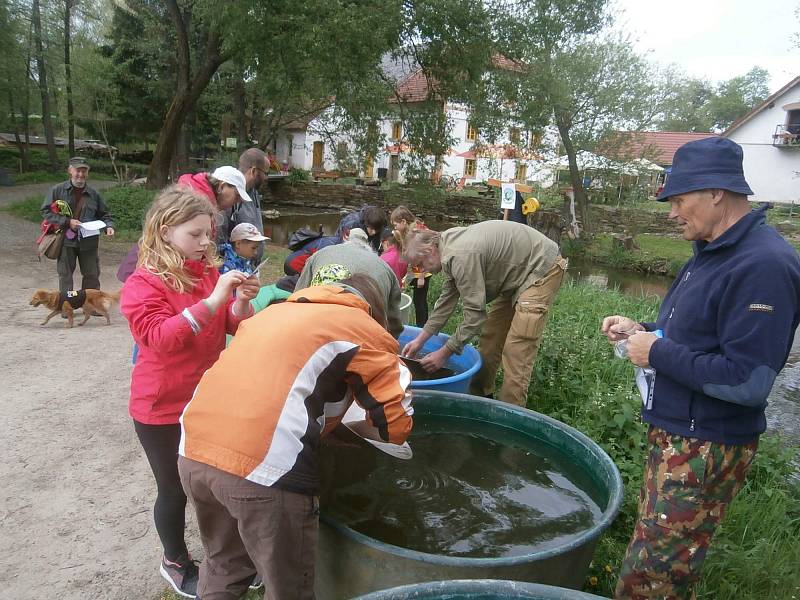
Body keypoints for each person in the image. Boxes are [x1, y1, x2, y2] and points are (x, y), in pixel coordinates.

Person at [601, 137, 800, 600]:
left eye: (679, 199)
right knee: (663, 563)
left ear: (716, 192)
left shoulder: (764, 265)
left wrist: (656, 353)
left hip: (706, 444)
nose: (672, 213)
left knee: (648, 581)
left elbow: (748, 381)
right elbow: (700, 336)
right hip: (680, 432)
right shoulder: (713, 251)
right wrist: (644, 330)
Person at [177, 274, 413, 599]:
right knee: (290, 589)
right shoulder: (365, 328)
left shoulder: (273, 313)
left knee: (224, 565)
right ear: (374, 307)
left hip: (194, 449)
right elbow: (394, 427)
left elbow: (284, 387)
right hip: (265, 469)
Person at [120, 186, 259, 599]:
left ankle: (228, 560)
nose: (205, 243)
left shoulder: (207, 273)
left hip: (205, 399)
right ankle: (175, 561)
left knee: (213, 481)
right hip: (160, 407)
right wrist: (217, 300)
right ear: (165, 231)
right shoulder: (142, 283)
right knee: (174, 489)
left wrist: (240, 304)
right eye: (195, 235)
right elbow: (161, 338)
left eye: (208, 235)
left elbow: (234, 327)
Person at [401, 221, 567, 406]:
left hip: (541, 267)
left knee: (516, 350)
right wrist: (420, 340)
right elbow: (446, 302)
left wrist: (444, 353)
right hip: (515, 276)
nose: (421, 271)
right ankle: (479, 398)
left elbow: (475, 316)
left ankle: (509, 418)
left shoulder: (460, 255)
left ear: (430, 251)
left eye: (419, 265)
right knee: (490, 337)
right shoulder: (446, 248)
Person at [296, 233, 405, 338]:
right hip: (365, 329)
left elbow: (297, 296)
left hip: (316, 322)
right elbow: (394, 324)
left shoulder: (320, 254)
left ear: (346, 242)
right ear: (369, 249)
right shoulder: (384, 267)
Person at [41, 156, 115, 293]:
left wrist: (109, 226)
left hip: (89, 241)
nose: (81, 174)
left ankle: (91, 305)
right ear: (70, 170)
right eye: (77, 170)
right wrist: (67, 222)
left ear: (88, 172)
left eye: (84, 171)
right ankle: (66, 304)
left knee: (92, 274)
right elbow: (46, 212)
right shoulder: (57, 190)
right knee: (65, 275)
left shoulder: (94, 194)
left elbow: (105, 214)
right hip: (66, 240)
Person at [226, 148, 270, 263]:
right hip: (235, 267)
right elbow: (221, 239)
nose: (267, 178)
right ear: (254, 171)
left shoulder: (253, 191)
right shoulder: (230, 196)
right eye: (266, 173)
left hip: (252, 265)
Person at [391, 206, 430, 327]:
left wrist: (422, 277)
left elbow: (425, 254)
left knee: (420, 301)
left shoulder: (416, 233)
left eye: (395, 224)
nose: (395, 228)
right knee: (418, 299)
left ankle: (422, 327)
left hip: (424, 271)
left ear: (403, 222)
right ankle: (422, 325)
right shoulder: (408, 231)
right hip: (416, 270)